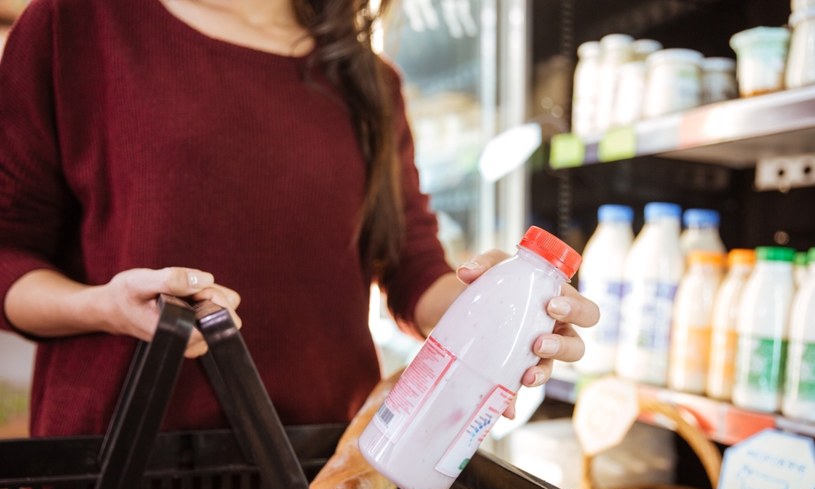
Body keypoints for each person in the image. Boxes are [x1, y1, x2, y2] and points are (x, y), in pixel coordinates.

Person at [0, 0, 599, 440]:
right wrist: (103, 305)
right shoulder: (77, 24)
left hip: (323, 462)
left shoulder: (369, 80)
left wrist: (502, 311)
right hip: (117, 460)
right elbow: (9, 256)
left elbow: (413, 266)